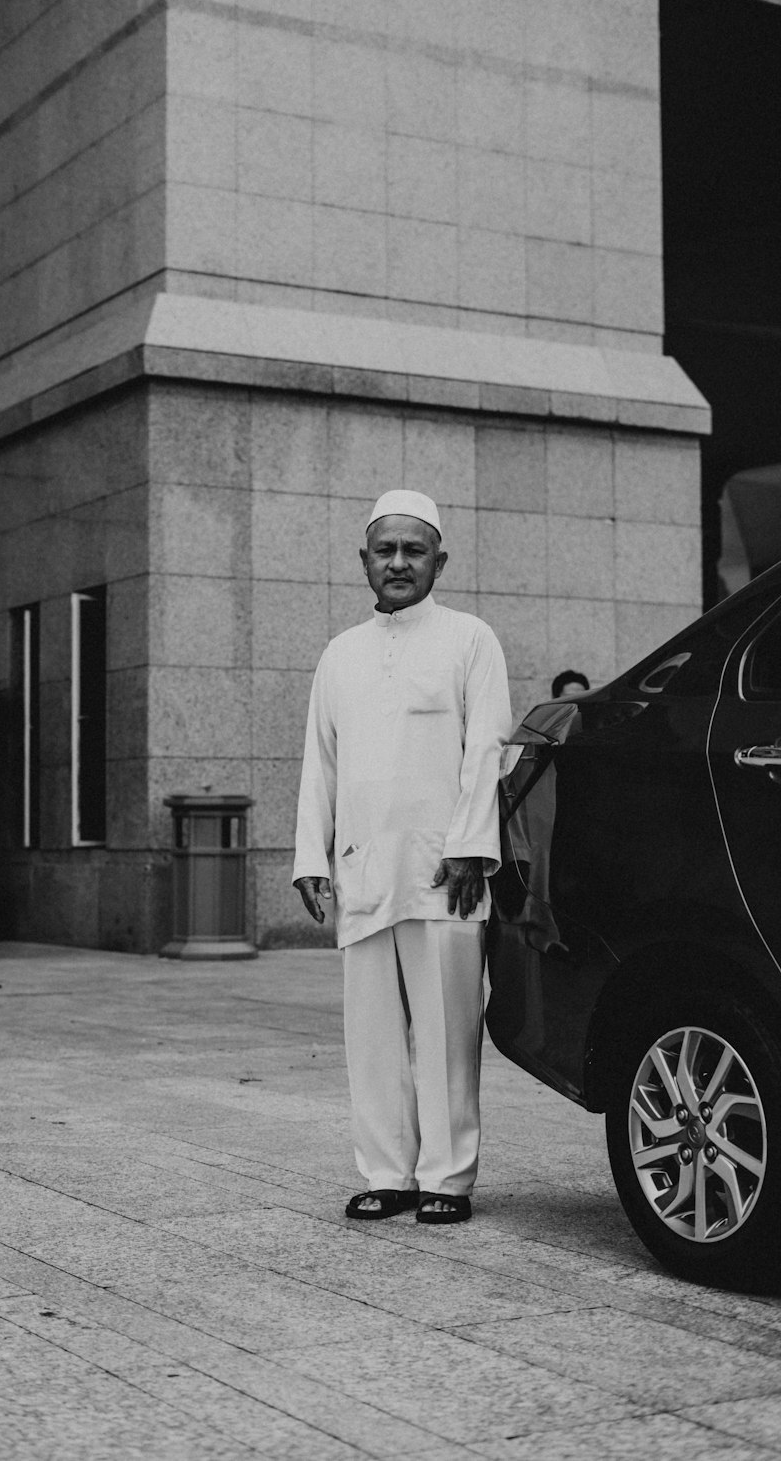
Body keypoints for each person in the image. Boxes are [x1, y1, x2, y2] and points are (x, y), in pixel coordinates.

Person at [293, 489, 512, 1226]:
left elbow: (488, 750)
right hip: (362, 868)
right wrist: (310, 857)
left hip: (444, 871)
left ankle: (448, 1179)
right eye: (385, 550)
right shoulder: (340, 653)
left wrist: (474, 849)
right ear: (364, 560)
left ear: (438, 561)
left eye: (413, 550)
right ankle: (387, 1172)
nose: (397, 562)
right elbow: (318, 763)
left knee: (449, 1033)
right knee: (373, 1035)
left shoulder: (470, 639)